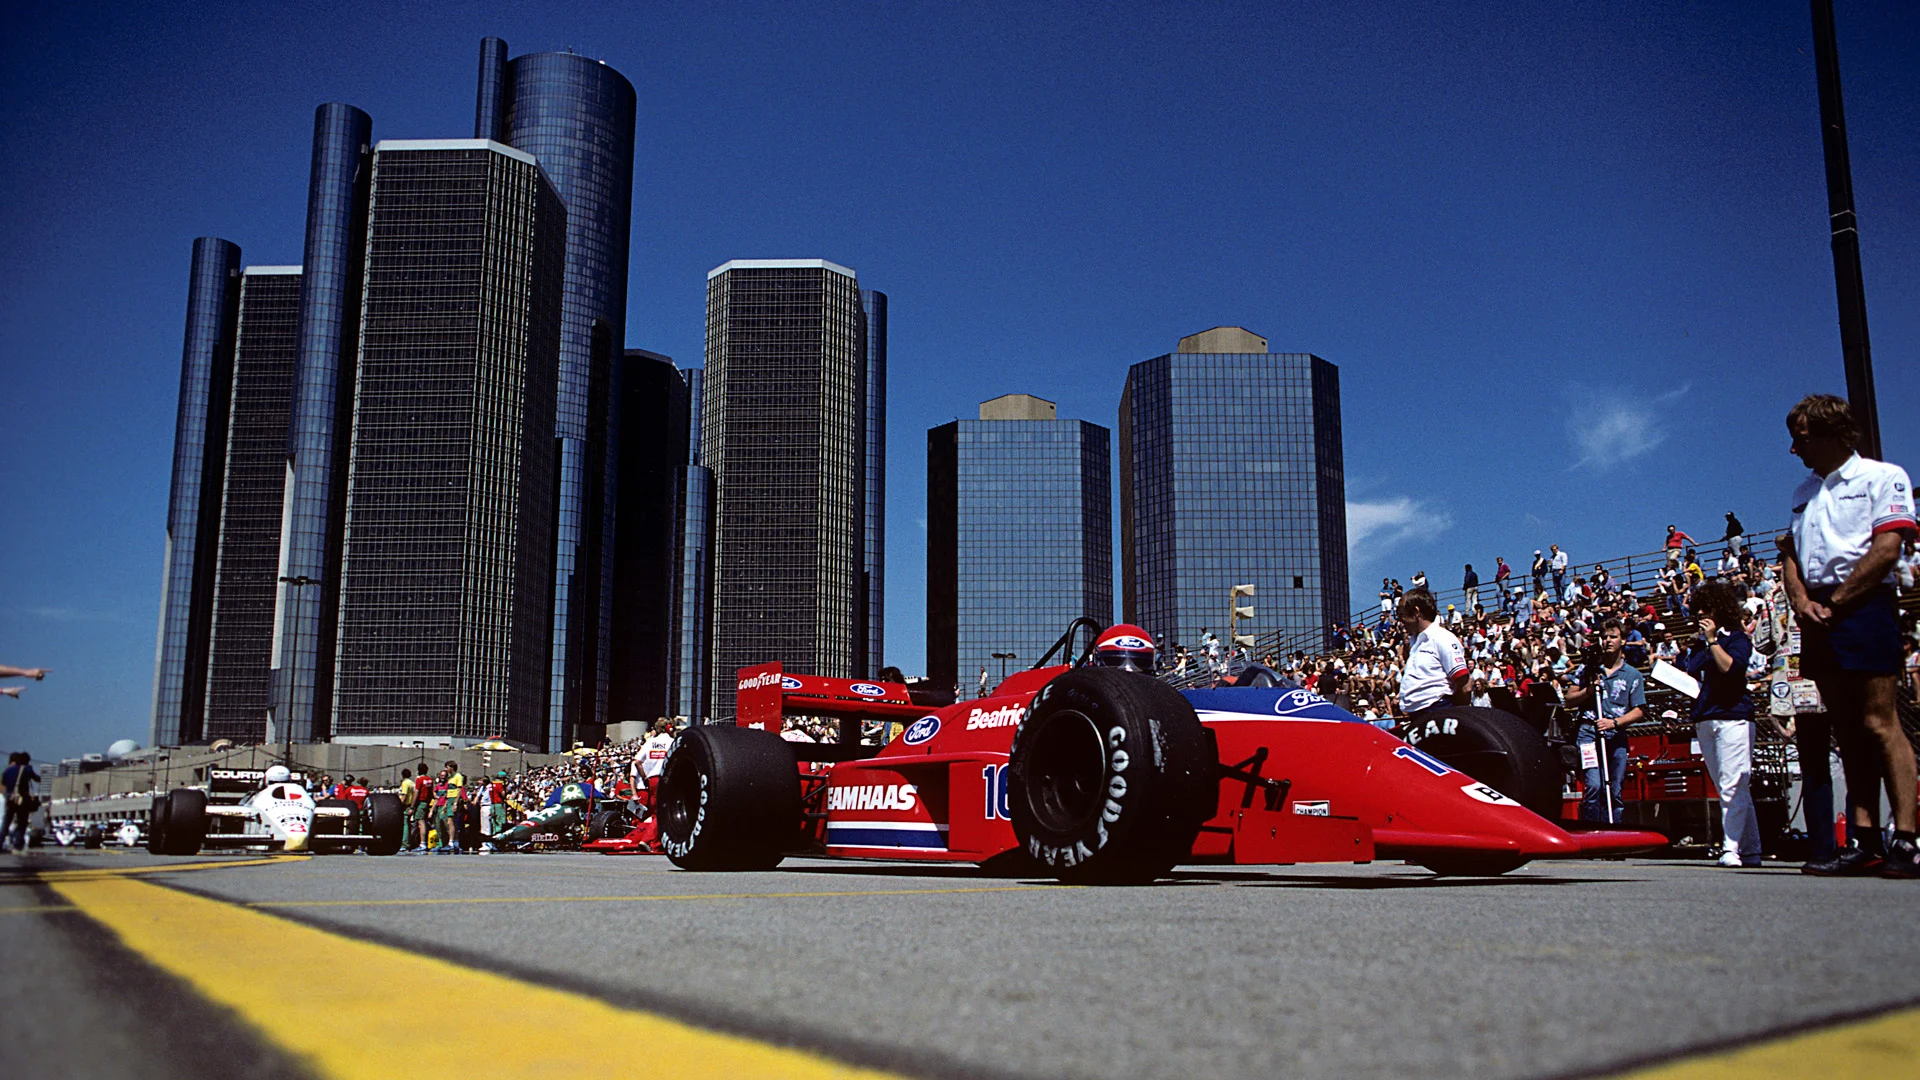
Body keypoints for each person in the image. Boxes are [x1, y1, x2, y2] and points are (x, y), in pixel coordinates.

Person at [1777, 393, 1919, 877]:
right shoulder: (1803, 492)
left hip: (1864, 604)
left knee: (1880, 722)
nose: (1794, 449)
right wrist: (1801, 601)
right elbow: (1791, 555)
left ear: (1832, 434)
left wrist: (1836, 603)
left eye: (1801, 439)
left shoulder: (1883, 477)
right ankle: (1865, 837)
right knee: (1848, 728)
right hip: (1817, 610)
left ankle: (1907, 838)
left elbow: (1886, 549)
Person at [1684, 581, 1760, 867]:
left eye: (1707, 608)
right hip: (1706, 716)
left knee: (1732, 784)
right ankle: (1750, 848)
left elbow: (1730, 667)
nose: (1701, 614)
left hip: (1733, 716)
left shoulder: (1736, 638)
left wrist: (1713, 640)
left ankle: (1731, 848)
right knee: (1728, 785)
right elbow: (1692, 673)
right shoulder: (1698, 644)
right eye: (1698, 609)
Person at [1564, 620, 1645, 824]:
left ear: (1623, 640)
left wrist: (1614, 723)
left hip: (1615, 735)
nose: (1608, 640)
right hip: (1589, 733)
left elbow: (1639, 711)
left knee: (1615, 788)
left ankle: (1614, 829)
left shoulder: (1632, 675)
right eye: (1604, 637)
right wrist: (1589, 690)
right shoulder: (1588, 669)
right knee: (1594, 785)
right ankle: (1593, 829)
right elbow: (1569, 699)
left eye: (1613, 636)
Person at [1394, 590, 1468, 720]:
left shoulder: (1441, 637)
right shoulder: (1415, 641)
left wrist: (1452, 712)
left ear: (1416, 612)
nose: (1401, 622)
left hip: (1438, 710)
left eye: (1401, 615)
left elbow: (1463, 681)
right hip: (1417, 714)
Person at [3, 752, 40, 853]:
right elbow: (37, 779)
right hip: (22, 800)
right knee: (22, 823)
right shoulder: (27, 769)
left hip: (10, 799)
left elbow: (3, 782)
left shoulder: (8, 770)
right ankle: (18, 845)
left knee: (6, 822)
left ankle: (0, 843)